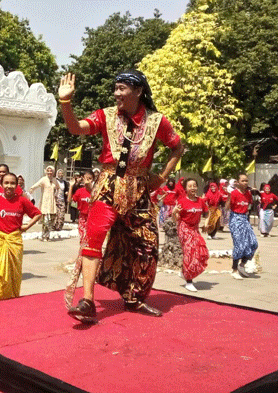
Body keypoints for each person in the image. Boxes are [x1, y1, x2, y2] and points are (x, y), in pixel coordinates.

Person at [59, 70, 184, 322]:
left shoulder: (158, 121)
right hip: (107, 186)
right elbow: (75, 128)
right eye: (115, 88)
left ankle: (134, 299)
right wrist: (66, 102)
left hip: (138, 189)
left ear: (138, 92)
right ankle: (88, 302)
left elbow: (177, 147)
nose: (116, 93)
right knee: (93, 240)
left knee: (147, 245)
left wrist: (160, 177)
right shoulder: (105, 115)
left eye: (122, 89)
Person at [0, 173, 41, 300]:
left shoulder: (22, 201)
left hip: (14, 240)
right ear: (1, 184)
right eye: (6, 183)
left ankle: (13, 299)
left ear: (17, 185)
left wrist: (27, 226)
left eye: (12, 183)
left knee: (14, 273)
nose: (9, 186)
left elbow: (38, 214)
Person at [172, 178, 209, 291]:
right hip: (184, 228)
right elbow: (176, 219)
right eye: (190, 186)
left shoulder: (200, 201)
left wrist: (206, 224)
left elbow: (207, 213)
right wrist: (174, 212)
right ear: (186, 189)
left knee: (202, 253)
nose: (193, 188)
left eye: (194, 185)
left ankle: (185, 272)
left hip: (195, 229)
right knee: (190, 252)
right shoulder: (182, 201)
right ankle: (189, 281)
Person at [64, 170, 94, 306]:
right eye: (85, 178)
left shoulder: (96, 191)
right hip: (83, 218)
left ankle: (89, 263)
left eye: (90, 178)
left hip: (94, 219)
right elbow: (70, 200)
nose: (87, 180)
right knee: (83, 241)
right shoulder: (80, 191)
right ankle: (81, 261)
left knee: (92, 243)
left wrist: (91, 187)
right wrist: (70, 187)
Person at [225, 174, 258, 279]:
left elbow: (249, 206)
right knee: (239, 244)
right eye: (243, 181)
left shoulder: (248, 194)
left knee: (253, 243)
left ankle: (242, 264)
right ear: (238, 182)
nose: (245, 182)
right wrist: (229, 197)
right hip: (235, 219)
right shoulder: (234, 193)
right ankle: (234, 270)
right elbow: (227, 208)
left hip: (244, 219)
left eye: (246, 181)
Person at [30, 166, 59, 242]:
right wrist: (32, 189)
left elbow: (58, 188)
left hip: (52, 201)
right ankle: (44, 236)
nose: (49, 172)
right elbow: (37, 185)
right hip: (45, 201)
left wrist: (56, 195)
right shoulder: (44, 179)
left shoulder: (54, 180)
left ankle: (47, 235)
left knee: (51, 220)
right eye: (48, 171)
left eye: (51, 171)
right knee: (46, 220)